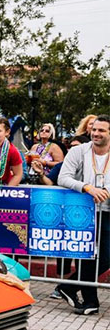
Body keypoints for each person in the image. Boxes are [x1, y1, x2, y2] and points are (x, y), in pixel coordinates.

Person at [56, 115, 110, 316]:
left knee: (105, 258)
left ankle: (68, 286)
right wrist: (87, 188)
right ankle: (90, 301)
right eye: (94, 129)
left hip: (107, 210)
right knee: (87, 257)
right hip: (83, 211)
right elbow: (63, 177)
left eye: (101, 130)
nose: (96, 133)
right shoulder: (79, 151)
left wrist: (105, 189)